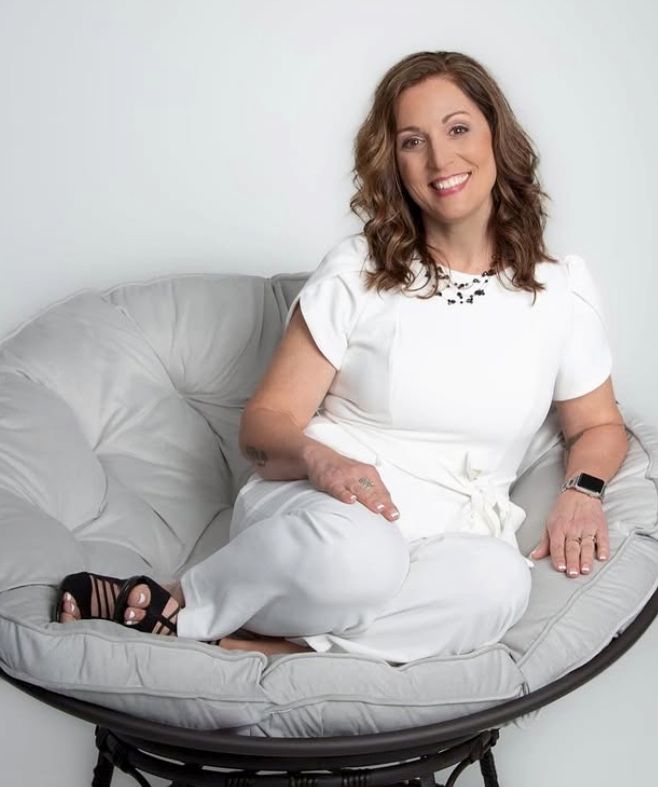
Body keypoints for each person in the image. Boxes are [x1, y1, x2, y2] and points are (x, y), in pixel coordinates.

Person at [55, 50, 629, 664]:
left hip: (449, 538)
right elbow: (264, 424)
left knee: (500, 583)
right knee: (360, 558)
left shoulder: (559, 288)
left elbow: (598, 425)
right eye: (413, 142)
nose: (441, 160)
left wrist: (583, 490)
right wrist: (319, 460)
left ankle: (281, 646)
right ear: (394, 163)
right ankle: (180, 603)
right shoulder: (359, 271)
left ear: (496, 136)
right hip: (324, 519)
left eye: (458, 129)